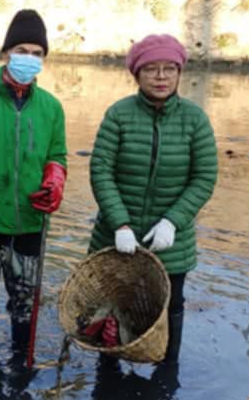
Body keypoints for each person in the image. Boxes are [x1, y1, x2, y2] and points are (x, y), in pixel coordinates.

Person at [88, 34, 218, 365]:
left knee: (171, 306)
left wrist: (173, 221)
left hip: (172, 241)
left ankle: (167, 370)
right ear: (137, 74)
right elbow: (101, 170)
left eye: (169, 69)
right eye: (151, 69)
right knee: (113, 303)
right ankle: (109, 368)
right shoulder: (118, 114)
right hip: (116, 236)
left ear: (179, 73)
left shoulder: (195, 119)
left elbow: (204, 177)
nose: (161, 77)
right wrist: (120, 224)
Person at [0, 9, 68, 371]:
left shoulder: (52, 107)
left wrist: (54, 182)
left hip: (30, 224)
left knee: (25, 302)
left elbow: (57, 155)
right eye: (21, 49)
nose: (29, 58)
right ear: (6, 53)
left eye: (37, 52)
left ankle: (21, 366)